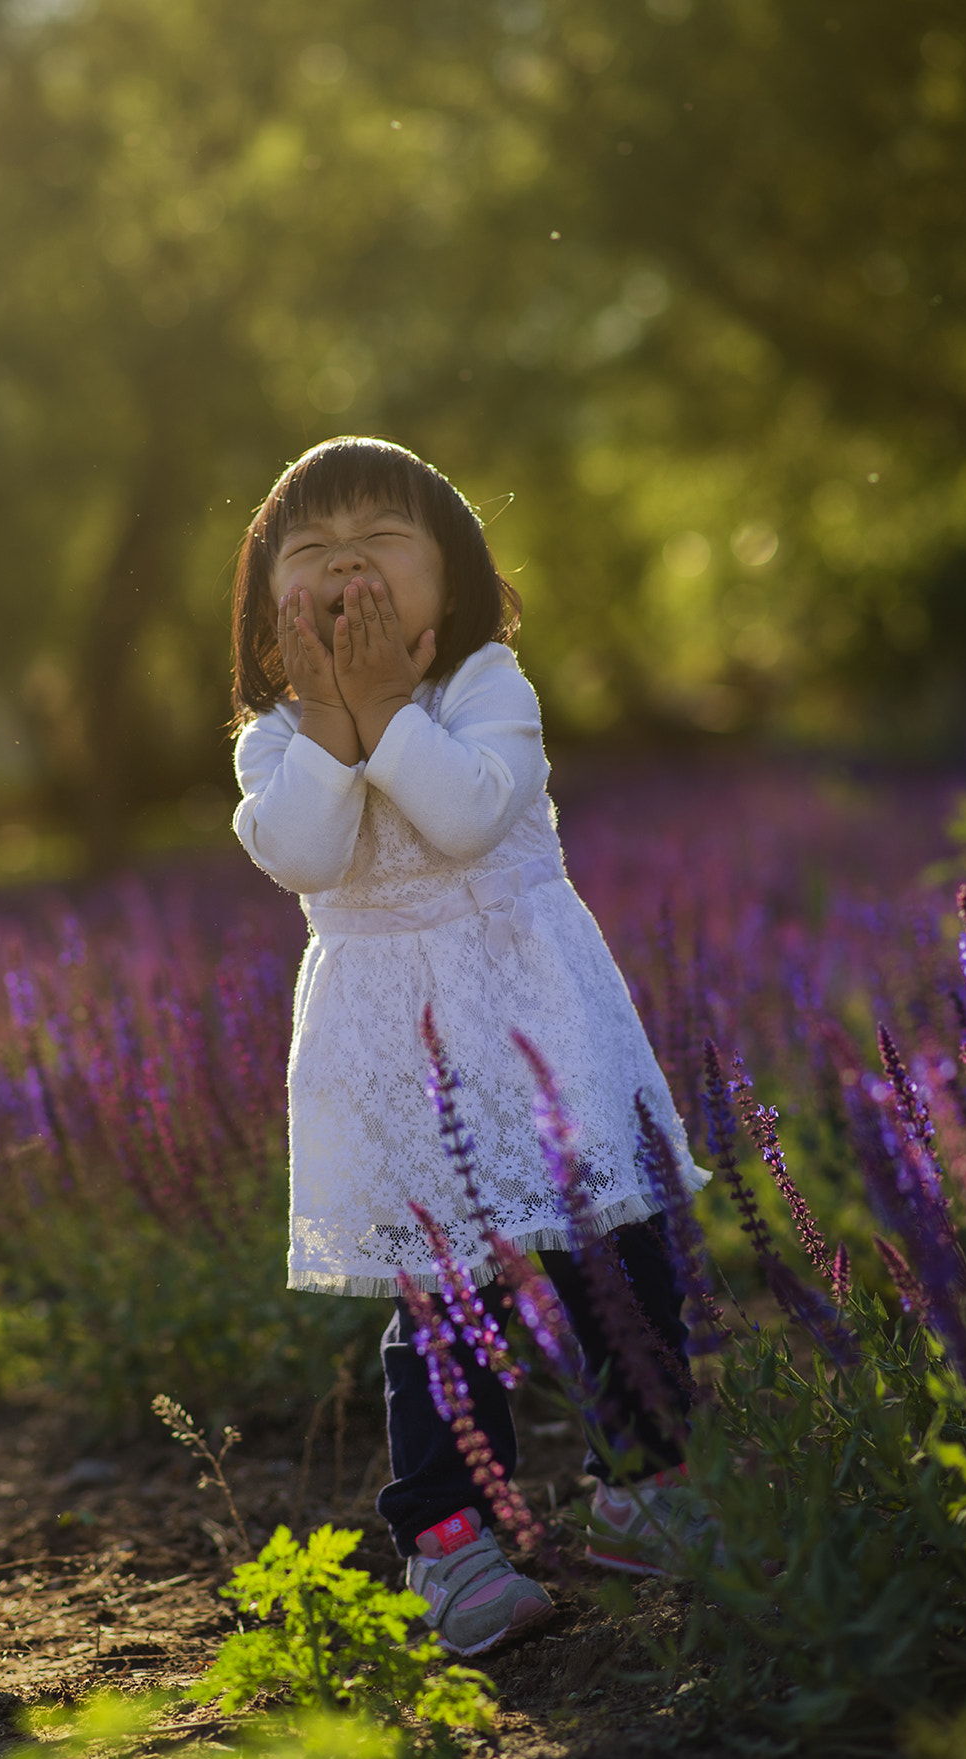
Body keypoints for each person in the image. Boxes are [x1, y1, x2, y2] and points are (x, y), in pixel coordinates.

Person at [230, 436, 713, 1658]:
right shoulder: (274, 742)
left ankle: (641, 1484)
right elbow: (301, 855)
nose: (345, 563)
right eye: (310, 552)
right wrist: (336, 725)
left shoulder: (490, 687)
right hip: (397, 1044)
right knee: (446, 1293)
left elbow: (464, 813)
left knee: (623, 1245)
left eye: (381, 540)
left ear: (455, 577)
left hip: (537, 1007)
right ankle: (453, 1540)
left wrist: (387, 705)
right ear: (265, 611)